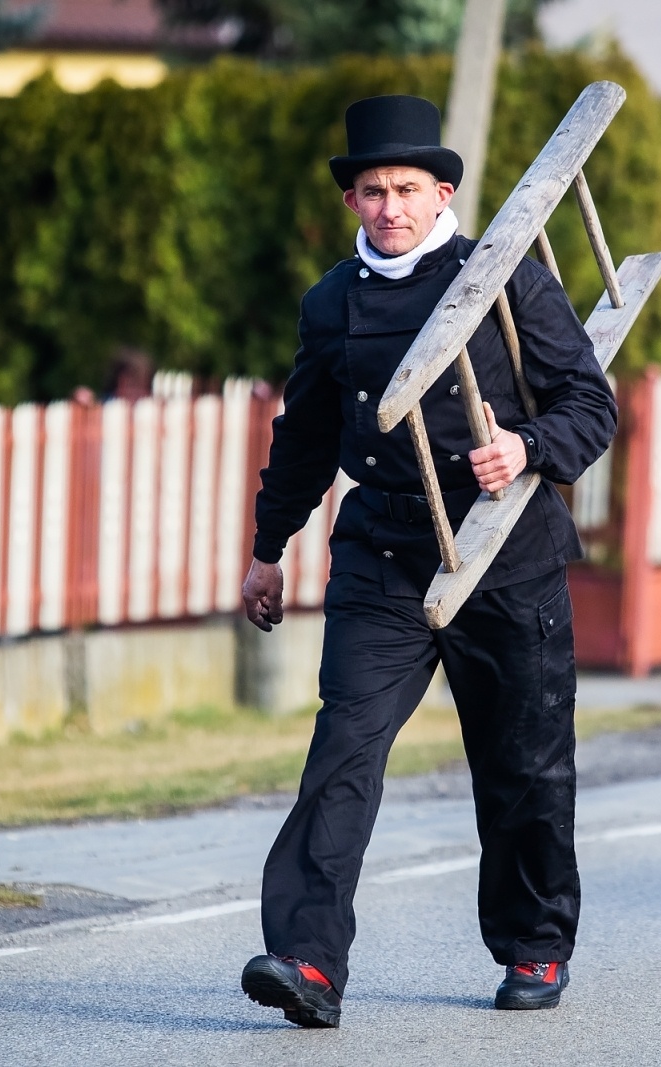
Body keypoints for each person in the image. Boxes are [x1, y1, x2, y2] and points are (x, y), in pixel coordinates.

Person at [237, 94, 617, 1029]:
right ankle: (308, 961)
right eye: (372, 190)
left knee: (521, 760)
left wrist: (526, 448)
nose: (391, 207)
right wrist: (266, 548)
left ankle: (535, 943)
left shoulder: (507, 276)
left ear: (441, 190)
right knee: (343, 751)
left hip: (505, 551)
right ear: (352, 200)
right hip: (384, 554)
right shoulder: (331, 303)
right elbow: (306, 435)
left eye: (408, 188)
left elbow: (592, 406)